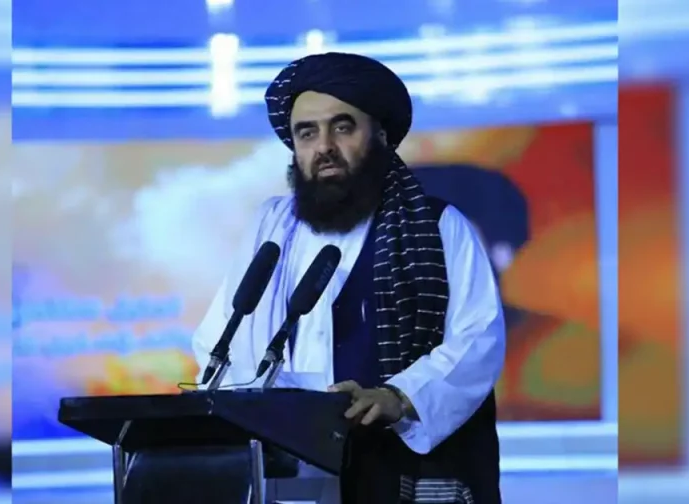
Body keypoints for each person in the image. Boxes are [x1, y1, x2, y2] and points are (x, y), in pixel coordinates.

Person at [192, 52, 506, 504]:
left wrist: (399, 396)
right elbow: (220, 339)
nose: (324, 147)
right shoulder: (271, 227)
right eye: (307, 133)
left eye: (342, 127)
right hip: (290, 473)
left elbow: (478, 340)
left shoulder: (437, 225)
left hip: (394, 466)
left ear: (380, 135)